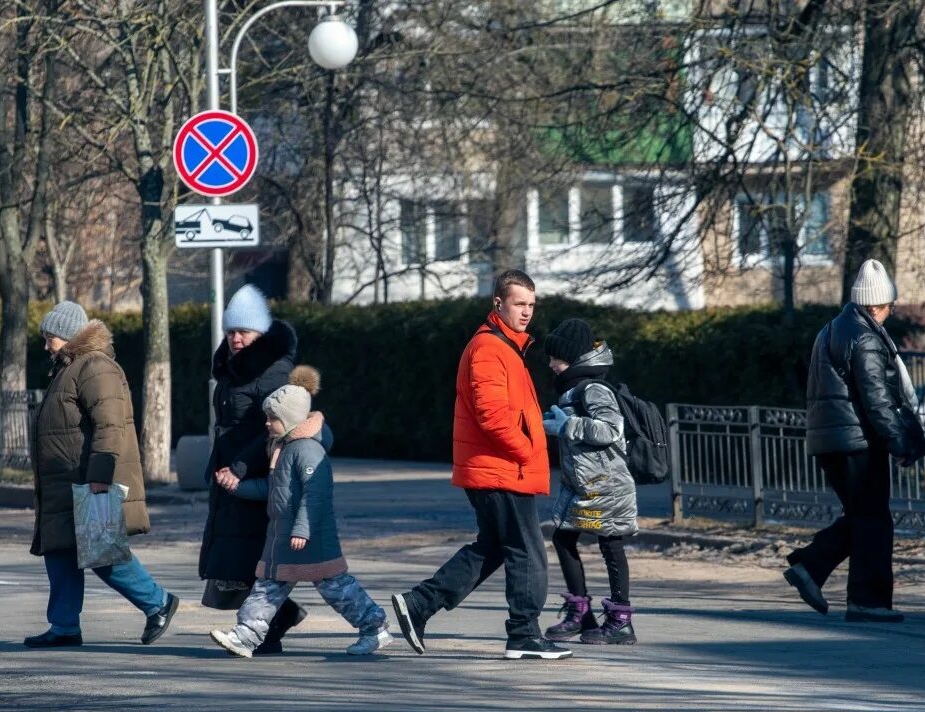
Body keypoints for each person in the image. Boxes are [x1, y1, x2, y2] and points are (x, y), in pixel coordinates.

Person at [391, 270, 571, 660]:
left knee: (492, 548)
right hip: (501, 469)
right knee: (527, 551)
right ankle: (524, 634)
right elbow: (492, 417)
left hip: (499, 468)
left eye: (531, 305)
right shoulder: (490, 349)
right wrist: (526, 450)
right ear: (498, 304)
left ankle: (419, 605)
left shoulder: (506, 347)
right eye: (519, 304)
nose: (527, 312)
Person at [784, 259, 925, 623]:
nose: (892, 312)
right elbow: (877, 398)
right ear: (877, 304)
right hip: (857, 443)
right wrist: (900, 444)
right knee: (873, 521)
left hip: (833, 440)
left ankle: (810, 567)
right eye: (890, 306)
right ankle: (866, 600)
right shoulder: (865, 336)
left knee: (864, 517)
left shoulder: (833, 328)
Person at [25, 301, 178, 648]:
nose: (46, 344)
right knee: (60, 552)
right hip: (64, 483)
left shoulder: (94, 367)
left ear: (67, 336)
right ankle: (63, 625)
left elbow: (110, 426)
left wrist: (100, 476)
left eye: (50, 337)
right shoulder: (70, 367)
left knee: (102, 552)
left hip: (87, 481)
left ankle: (158, 603)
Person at [210, 382, 393, 657]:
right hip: (283, 539)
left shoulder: (307, 450)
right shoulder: (283, 446)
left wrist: (302, 530)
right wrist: (236, 487)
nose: (268, 424)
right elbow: (273, 489)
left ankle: (374, 627)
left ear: (291, 419)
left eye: (273, 418)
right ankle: (245, 636)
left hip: (310, 539)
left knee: (336, 588)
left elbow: (315, 496)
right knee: (267, 588)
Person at [199, 284, 307, 654]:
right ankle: (278, 618)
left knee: (253, 558)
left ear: (261, 333)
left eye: (244, 331)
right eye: (231, 331)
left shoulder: (273, 371)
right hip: (229, 471)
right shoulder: (233, 369)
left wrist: (242, 467)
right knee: (238, 558)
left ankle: (270, 627)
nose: (236, 338)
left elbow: (272, 427)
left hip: (256, 473)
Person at [540, 319, 639, 645]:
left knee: (610, 544)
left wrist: (569, 425)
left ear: (574, 358)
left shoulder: (593, 389)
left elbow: (610, 430)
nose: (551, 365)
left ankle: (620, 620)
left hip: (606, 484)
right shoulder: (573, 389)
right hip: (583, 485)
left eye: (557, 358)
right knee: (563, 538)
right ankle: (581, 613)